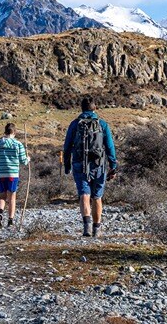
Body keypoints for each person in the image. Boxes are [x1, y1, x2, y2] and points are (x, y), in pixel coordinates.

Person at [63, 97, 117, 237]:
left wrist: (67, 165)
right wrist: (113, 165)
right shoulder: (102, 124)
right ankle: (97, 229)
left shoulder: (75, 124)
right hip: (99, 165)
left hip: (79, 164)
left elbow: (67, 146)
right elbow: (110, 146)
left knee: (84, 195)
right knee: (97, 197)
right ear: (95, 108)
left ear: (81, 109)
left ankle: (86, 227)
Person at [0, 123, 29, 229]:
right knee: (12, 197)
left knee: (2, 196)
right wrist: (28, 159)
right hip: (12, 174)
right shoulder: (18, 144)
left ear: (5, 131)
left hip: (0, 173)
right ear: (14, 132)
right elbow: (23, 161)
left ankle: (0, 214)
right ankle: (10, 220)